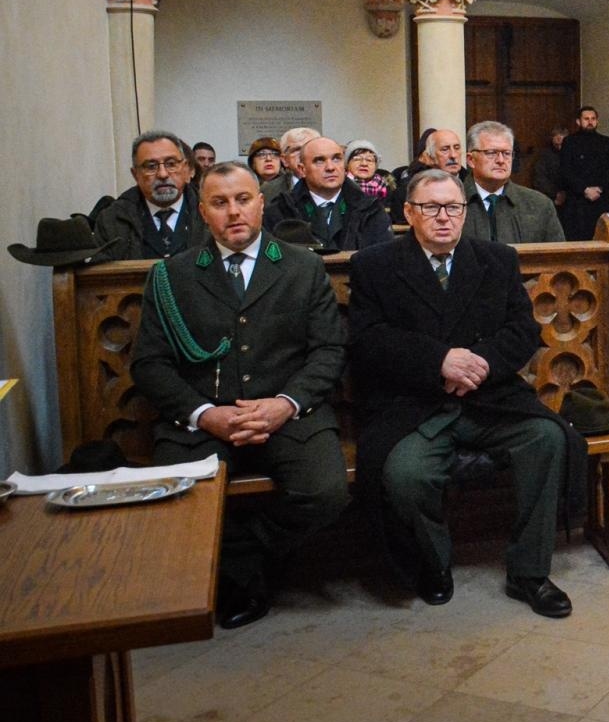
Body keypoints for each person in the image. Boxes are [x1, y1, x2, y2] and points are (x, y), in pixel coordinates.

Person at [347, 169, 585, 616]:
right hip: (415, 404)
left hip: (488, 398)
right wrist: (438, 361)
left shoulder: (496, 259)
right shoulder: (375, 265)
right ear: (409, 213)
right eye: (431, 208)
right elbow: (368, 340)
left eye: (453, 207)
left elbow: (521, 330)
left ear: (464, 212)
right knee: (405, 475)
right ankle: (433, 564)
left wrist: (480, 363)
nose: (444, 217)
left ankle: (529, 571)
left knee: (549, 438)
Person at [129, 161, 348, 628]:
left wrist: (285, 404)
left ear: (261, 204)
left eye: (243, 199)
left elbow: (328, 351)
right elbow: (149, 364)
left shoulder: (302, 266)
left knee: (325, 493)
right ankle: (245, 572)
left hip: (288, 413)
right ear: (202, 211)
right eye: (220, 202)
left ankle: (242, 561)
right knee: (182, 499)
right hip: (203, 420)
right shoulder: (173, 275)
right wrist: (204, 414)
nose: (233, 212)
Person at [92, 131, 208, 261]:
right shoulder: (112, 219)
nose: (163, 174)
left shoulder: (211, 212)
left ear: (186, 169)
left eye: (171, 164)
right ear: (135, 174)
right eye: (151, 166)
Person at [265, 137, 393, 251]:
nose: (330, 167)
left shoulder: (370, 209)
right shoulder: (281, 209)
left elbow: (382, 257)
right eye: (319, 161)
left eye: (336, 159)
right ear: (302, 169)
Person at [461, 120, 564, 245]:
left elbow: (557, 254)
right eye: (491, 153)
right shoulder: (451, 204)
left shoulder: (539, 205)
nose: (500, 160)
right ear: (471, 160)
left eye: (506, 153)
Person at [558, 106, 609, 240]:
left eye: (593, 119)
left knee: (603, 238)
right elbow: (565, 171)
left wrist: (600, 188)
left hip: (601, 199)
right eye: (586, 119)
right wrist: (584, 189)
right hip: (577, 201)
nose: (590, 122)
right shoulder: (570, 142)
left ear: (597, 121)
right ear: (578, 121)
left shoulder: (606, 142)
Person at [260, 126, 320, 204]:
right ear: (284, 160)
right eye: (297, 150)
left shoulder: (334, 182)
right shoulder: (268, 191)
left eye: (310, 148)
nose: (303, 154)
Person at [530, 127, 566, 206]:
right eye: (557, 143)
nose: (559, 146)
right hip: (549, 196)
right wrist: (555, 194)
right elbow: (539, 178)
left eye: (562, 143)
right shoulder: (545, 155)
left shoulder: (571, 154)